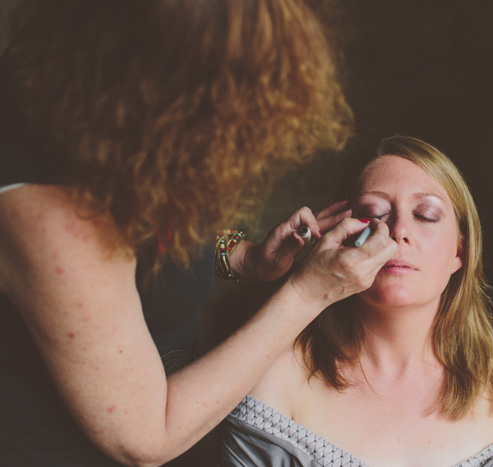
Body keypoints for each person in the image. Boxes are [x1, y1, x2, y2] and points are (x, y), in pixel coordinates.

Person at [0, 1, 399, 465]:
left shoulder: (109, 115)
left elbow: (142, 233)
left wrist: (242, 256)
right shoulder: (50, 215)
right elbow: (146, 436)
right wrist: (308, 294)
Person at [220, 136, 493, 466]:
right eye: (375, 213)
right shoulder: (277, 375)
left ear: (459, 253)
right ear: (341, 238)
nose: (399, 229)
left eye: (426, 215)